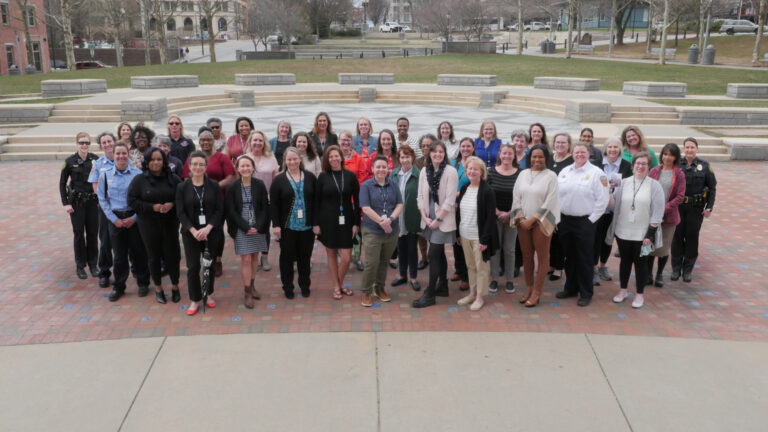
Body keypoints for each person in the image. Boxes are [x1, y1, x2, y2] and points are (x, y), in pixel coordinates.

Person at [607, 151, 665, 309]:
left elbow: (658, 212)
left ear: (648, 166)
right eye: (637, 163)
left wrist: (650, 234)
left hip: (644, 234)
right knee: (625, 261)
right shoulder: (623, 182)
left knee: (642, 264)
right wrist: (610, 193)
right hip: (623, 231)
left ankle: (639, 294)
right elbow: (614, 207)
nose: (640, 166)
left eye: (644, 164)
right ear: (633, 165)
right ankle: (623, 290)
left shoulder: (655, 186)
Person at [554, 143, 610, 307]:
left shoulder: (597, 174)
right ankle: (570, 288)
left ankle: (586, 292)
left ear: (588, 154)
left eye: (583, 152)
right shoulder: (565, 172)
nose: (579, 154)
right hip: (565, 221)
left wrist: (591, 220)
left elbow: (603, 200)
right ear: (572, 153)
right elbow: (556, 196)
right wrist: (557, 219)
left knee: (585, 259)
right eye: (577, 152)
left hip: (585, 222)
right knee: (569, 257)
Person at [127, 147, 182, 304]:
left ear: (164, 161)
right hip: (148, 224)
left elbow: (182, 198)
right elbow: (132, 201)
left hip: (170, 223)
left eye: (159, 159)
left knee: (173, 256)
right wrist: (153, 207)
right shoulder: (139, 180)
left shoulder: (174, 179)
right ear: (147, 162)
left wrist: (172, 204)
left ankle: (175, 286)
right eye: (152, 160)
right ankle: (158, 288)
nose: (156, 163)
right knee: (153, 256)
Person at [97, 142, 150, 302]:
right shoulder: (105, 175)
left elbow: (144, 199)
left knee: (138, 253)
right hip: (115, 220)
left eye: (124, 153)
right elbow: (103, 200)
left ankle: (143, 283)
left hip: (134, 219)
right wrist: (114, 220)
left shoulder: (137, 174)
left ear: (129, 154)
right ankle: (119, 286)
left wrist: (134, 218)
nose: (121, 156)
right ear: (113, 155)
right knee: (119, 256)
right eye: (118, 153)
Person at [182, 127, 236, 277]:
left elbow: (231, 177)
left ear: (214, 141)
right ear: (199, 142)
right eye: (203, 140)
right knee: (200, 230)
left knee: (216, 231)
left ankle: (217, 260)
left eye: (209, 139)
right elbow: (187, 178)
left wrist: (212, 188)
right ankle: (200, 258)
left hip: (218, 201)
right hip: (196, 203)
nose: (206, 142)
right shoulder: (192, 158)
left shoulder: (222, 157)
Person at [176, 151, 225, 315]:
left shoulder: (214, 185)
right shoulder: (182, 187)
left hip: (210, 231)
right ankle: (195, 299)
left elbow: (219, 210)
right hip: (191, 233)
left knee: (209, 265)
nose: (198, 167)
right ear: (189, 167)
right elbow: (180, 212)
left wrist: (208, 228)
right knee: (193, 267)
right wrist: (193, 230)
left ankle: (209, 293)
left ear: (206, 166)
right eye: (194, 164)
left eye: (201, 164)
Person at [511, 145, 560, 308]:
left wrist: (532, 219)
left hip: (541, 221)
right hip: (522, 220)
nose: (537, 160)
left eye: (540, 157)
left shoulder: (551, 176)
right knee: (526, 256)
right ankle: (529, 287)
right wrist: (522, 218)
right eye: (534, 156)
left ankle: (537, 292)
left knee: (542, 257)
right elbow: (516, 196)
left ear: (546, 158)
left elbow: (550, 201)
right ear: (529, 157)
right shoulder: (523, 174)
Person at [413, 141, 459, 308]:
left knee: (433, 253)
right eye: (434, 152)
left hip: (442, 219)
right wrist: (424, 216)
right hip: (428, 218)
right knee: (438, 255)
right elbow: (420, 196)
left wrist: (438, 220)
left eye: (441, 152)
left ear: (444, 154)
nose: (437, 154)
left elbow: (450, 200)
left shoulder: (450, 171)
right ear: (429, 154)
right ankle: (443, 286)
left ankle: (431, 293)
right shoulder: (425, 170)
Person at [270, 147, 317, 299]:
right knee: (287, 257)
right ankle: (288, 286)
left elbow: (317, 201)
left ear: (300, 159)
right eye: (289, 159)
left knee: (305, 256)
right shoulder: (279, 179)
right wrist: (276, 225)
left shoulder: (310, 177)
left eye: (295, 159)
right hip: (287, 226)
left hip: (307, 225)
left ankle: (304, 285)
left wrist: (316, 223)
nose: (292, 162)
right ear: (285, 161)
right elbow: (274, 205)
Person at [314, 145, 360, 299]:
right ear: (327, 160)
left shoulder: (350, 176)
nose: (334, 159)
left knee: (346, 257)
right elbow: (317, 201)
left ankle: (339, 283)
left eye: (336, 156)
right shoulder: (322, 177)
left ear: (341, 157)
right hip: (327, 220)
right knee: (331, 253)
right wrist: (316, 223)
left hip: (346, 219)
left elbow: (358, 201)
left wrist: (356, 223)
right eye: (330, 157)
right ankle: (337, 286)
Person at [225, 155, 270, 309]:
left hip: (258, 224)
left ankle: (252, 285)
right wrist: (245, 227)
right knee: (245, 260)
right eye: (242, 166)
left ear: (253, 168)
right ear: (237, 169)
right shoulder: (232, 187)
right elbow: (231, 211)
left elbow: (265, 207)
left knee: (255, 256)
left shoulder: (259, 184)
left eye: (248, 166)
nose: (245, 169)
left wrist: (257, 226)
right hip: (241, 225)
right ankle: (247, 292)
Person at [455, 156, 499, 311]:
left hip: (479, 237)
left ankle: (480, 296)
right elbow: (459, 212)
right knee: (470, 265)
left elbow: (490, 218)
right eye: (469, 169)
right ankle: (472, 293)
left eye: (475, 169)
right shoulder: (466, 187)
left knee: (481, 268)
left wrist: (484, 240)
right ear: (466, 171)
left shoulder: (487, 191)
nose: (472, 171)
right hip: (465, 234)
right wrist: (458, 235)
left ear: (481, 171)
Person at [671, 137, 717, 283]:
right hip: (678, 207)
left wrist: (709, 207)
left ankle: (688, 270)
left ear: (697, 149)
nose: (689, 150)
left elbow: (712, 188)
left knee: (692, 237)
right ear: (683, 149)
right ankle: (676, 268)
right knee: (677, 237)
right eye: (687, 147)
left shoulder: (705, 166)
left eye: (692, 147)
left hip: (696, 208)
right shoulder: (676, 165)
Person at [359, 156, 403, 307]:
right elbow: (365, 208)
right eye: (378, 167)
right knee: (372, 262)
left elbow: (399, 204)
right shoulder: (366, 186)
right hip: (373, 230)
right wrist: (381, 221)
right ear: (372, 169)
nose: (381, 170)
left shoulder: (393, 184)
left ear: (388, 169)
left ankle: (379, 288)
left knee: (384, 261)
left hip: (391, 230)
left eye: (384, 167)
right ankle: (366, 291)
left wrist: (390, 219)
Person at [593, 137, 633, 285]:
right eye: (610, 147)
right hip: (598, 210)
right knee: (595, 240)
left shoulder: (627, 166)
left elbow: (629, 187)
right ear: (605, 149)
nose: (612, 150)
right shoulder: (596, 165)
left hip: (615, 210)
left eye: (616, 147)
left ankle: (603, 266)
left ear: (620, 150)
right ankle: (594, 268)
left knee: (608, 240)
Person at [60, 132, 100, 280]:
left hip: (92, 203)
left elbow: (102, 181)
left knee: (92, 233)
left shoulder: (95, 160)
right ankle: (80, 265)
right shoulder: (70, 161)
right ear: (77, 144)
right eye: (82, 143)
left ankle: (93, 264)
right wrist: (65, 203)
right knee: (78, 234)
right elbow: (62, 183)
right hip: (76, 203)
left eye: (87, 143)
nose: (84, 145)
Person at [647, 143, 686, 288]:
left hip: (668, 218)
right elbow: (647, 190)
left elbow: (680, 196)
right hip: (652, 216)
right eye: (665, 154)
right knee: (649, 247)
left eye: (670, 154)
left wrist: (664, 208)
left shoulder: (679, 174)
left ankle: (659, 275)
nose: (667, 157)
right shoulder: (654, 171)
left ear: (675, 157)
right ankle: (648, 274)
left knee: (663, 249)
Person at [487, 143, 520, 294]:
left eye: (510, 153)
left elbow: (522, 197)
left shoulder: (521, 174)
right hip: (495, 216)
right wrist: (497, 212)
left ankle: (509, 280)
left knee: (510, 249)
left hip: (513, 216)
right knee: (496, 248)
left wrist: (509, 213)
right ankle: (494, 278)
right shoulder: (491, 172)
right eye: (504, 153)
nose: (507, 156)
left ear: (514, 156)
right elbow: (486, 195)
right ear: (500, 155)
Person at [389, 145, 422, 291]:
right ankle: (402, 274)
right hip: (397, 216)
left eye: (407, 157)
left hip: (412, 215)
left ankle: (413, 276)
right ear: (399, 159)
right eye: (402, 157)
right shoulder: (394, 174)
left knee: (412, 248)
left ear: (412, 157)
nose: (405, 160)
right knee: (400, 247)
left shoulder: (419, 174)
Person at [248, 130, 279, 271]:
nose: (258, 143)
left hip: (266, 199)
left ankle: (264, 257)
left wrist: (273, 197)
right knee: (251, 227)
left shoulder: (271, 158)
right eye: (255, 140)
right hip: (248, 200)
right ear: (250, 142)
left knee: (265, 229)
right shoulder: (244, 158)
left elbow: (276, 179)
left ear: (264, 143)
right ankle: (252, 254)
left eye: (260, 140)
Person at [89, 132, 118, 287]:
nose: (107, 144)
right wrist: (105, 203)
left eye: (109, 141)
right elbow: (95, 186)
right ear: (101, 146)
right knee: (106, 241)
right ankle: (104, 272)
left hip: (122, 207)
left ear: (114, 142)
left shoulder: (123, 158)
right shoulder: (98, 164)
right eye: (104, 142)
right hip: (106, 208)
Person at [339, 130, 369, 271]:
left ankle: (356, 258)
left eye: (348, 140)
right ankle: (342, 257)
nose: (345, 143)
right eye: (343, 140)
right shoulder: (334, 156)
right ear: (338, 141)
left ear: (352, 142)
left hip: (353, 200)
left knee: (356, 228)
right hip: (338, 201)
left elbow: (362, 178)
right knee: (340, 227)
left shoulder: (358, 158)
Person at [450, 137, 477, 291]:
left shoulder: (475, 164)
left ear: (473, 148)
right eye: (463, 146)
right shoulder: (454, 163)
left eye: (468, 146)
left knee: (466, 241)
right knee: (456, 240)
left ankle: (467, 276)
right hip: (454, 206)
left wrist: (460, 193)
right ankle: (459, 270)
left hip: (467, 205)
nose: (465, 149)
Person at [548, 132, 574, 281]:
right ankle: (551, 264)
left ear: (569, 144)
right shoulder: (551, 159)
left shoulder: (571, 161)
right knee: (550, 236)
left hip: (563, 204)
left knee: (560, 237)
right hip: (549, 203)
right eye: (557, 142)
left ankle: (559, 267)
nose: (560, 145)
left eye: (563, 143)